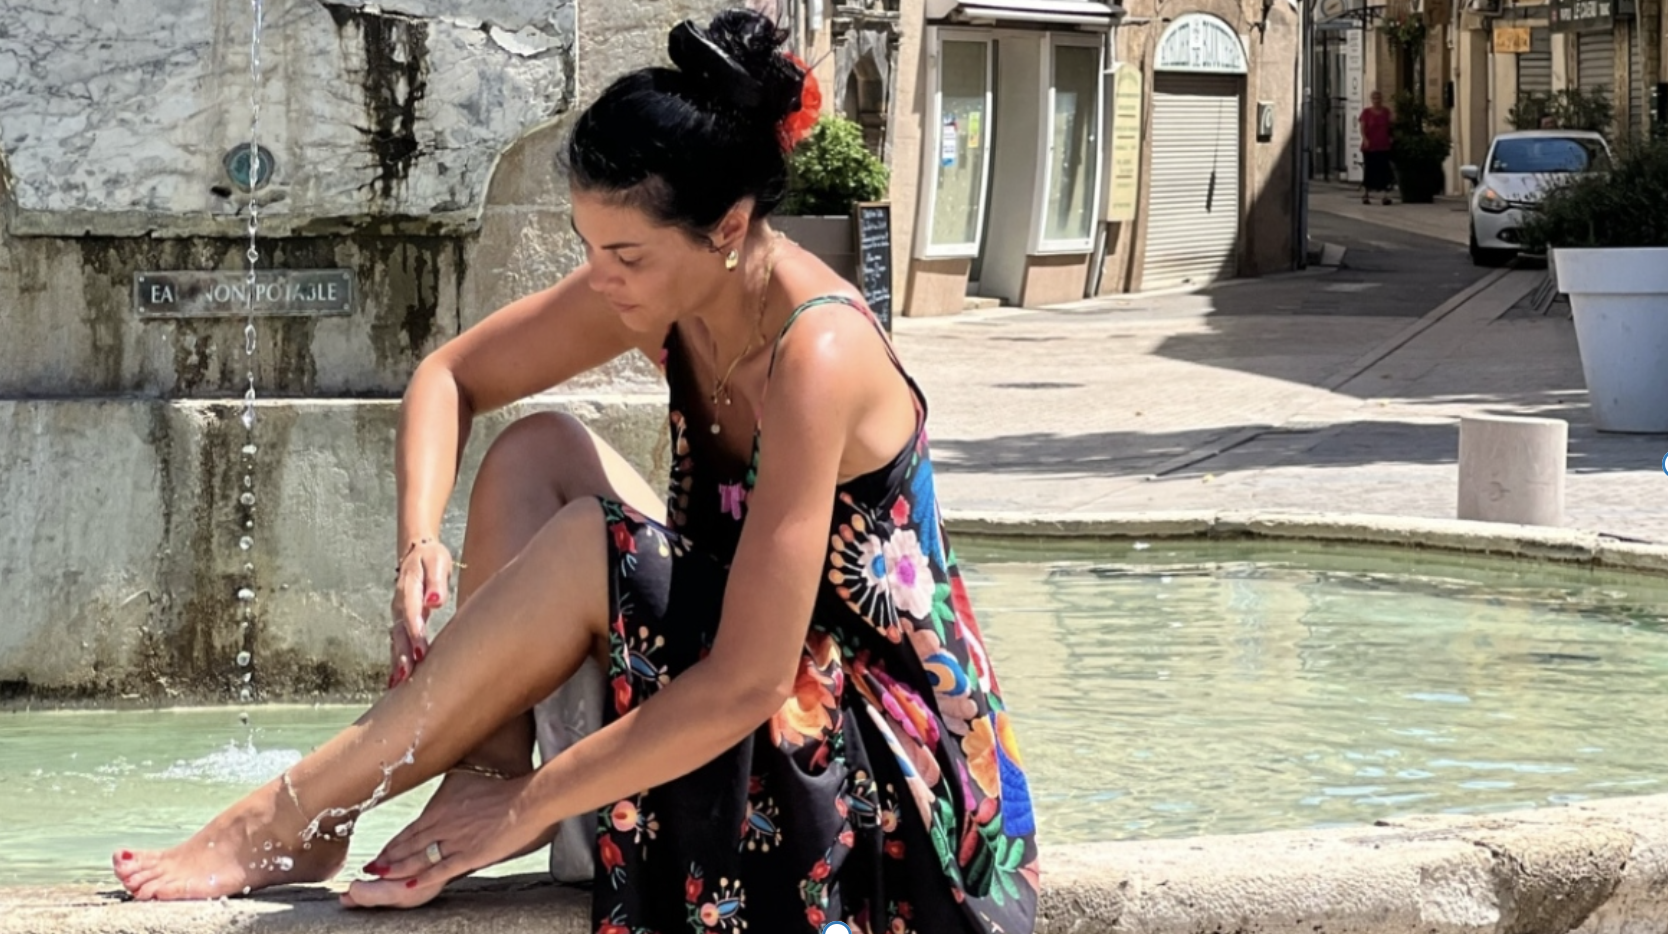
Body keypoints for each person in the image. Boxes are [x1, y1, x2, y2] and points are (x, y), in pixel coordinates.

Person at [110, 9, 1039, 934]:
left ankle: (292, 813)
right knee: (539, 452)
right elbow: (451, 377)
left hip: (893, 791)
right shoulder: (670, 290)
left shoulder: (819, 353)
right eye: (588, 246)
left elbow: (753, 679)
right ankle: (474, 767)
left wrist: (525, 812)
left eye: (625, 254)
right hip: (769, 694)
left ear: (727, 226)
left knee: (595, 542)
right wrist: (418, 540)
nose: (601, 279)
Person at [1359, 90, 1394, 205]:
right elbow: (1362, 128)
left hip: (1383, 145)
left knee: (1384, 170)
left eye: (1378, 98)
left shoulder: (1386, 112)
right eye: (1374, 98)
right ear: (1371, 100)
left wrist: (1391, 137)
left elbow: (1391, 126)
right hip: (1370, 146)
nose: (1377, 100)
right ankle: (1366, 194)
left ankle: (1385, 196)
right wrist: (1365, 139)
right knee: (1369, 169)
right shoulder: (1366, 112)